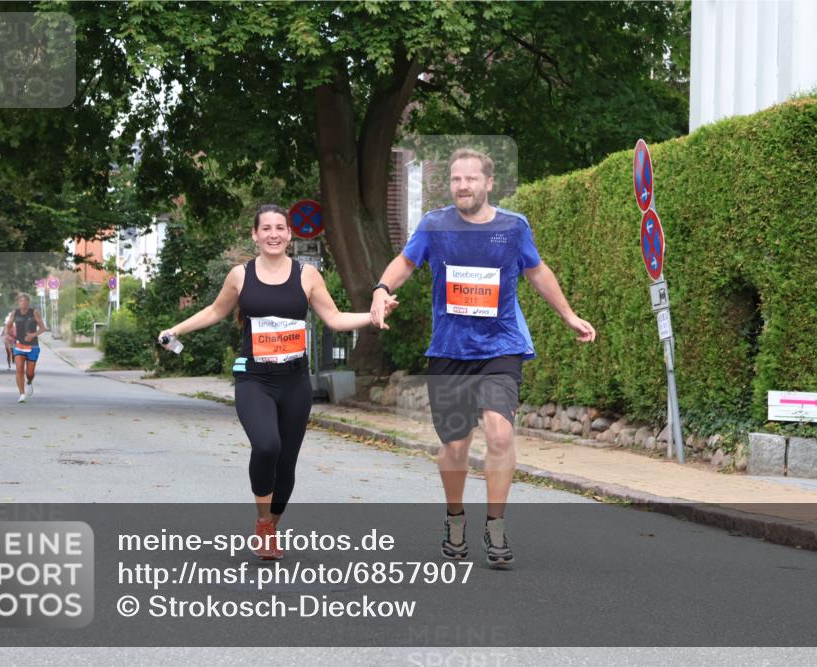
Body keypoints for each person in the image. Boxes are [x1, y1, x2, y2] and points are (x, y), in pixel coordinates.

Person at [370, 148, 596, 569]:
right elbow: (406, 262)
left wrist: (569, 315)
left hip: (501, 347)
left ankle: (495, 525)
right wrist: (382, 290)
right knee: (455, 446)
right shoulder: (435, 225)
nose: (463, 186)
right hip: (450, 350)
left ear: (488, 183)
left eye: (471, 179)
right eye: (456, 179)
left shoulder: (513, 227)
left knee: (499, 435)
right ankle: (455, 520)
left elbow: (537, 272)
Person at [158, 204, 391, 560]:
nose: (273, 234)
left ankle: (271, 526)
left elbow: (334, 318)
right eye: (265, 228)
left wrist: (373, 316)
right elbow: (215, 311)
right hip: (254, 378)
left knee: (286, 463)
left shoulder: (307, 276)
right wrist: (176, 329)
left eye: (279, 228)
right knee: (267, 445)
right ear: (255, 235)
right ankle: (263, 523)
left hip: (294, 381)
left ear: (289, 234)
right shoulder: (240, 275)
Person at [4, 293, 48, 403]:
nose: (23, 302)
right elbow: (8, 325)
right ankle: (22, 394)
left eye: (25, 301)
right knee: (19, 369)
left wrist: (33, 335)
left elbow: (43, 328)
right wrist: (7, 334)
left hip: (32, 346)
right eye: (21, 301)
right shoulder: (15, 313)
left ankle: (29, 382)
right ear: (18, 302)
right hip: (19, 345)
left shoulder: (34, 312)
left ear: (28, 302)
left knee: (30, 373)